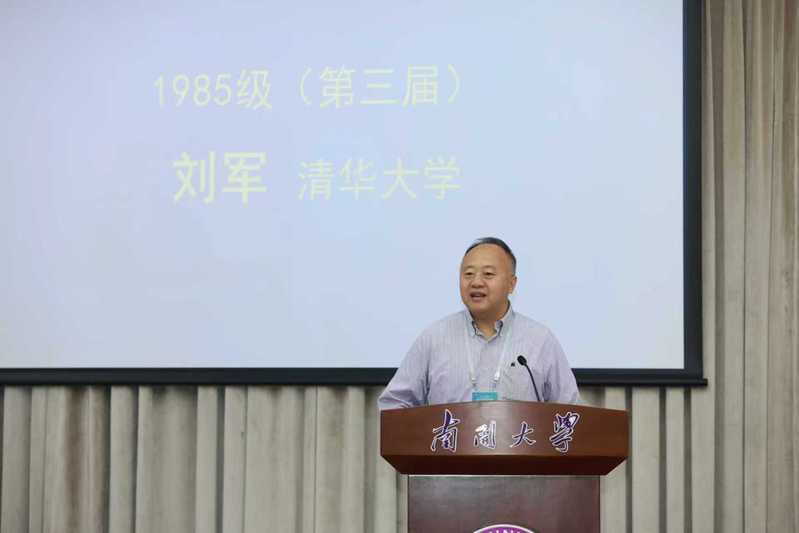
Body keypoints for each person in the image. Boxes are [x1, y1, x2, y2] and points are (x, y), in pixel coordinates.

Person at [378, 237, 579, 409]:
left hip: (519, 445)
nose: (476, 282)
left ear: (511, 284)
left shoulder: (540, 340)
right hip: (451, 445)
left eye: (488, 274)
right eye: (468, 274)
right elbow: (393, 403)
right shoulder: (434, 338)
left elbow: (571, 412)